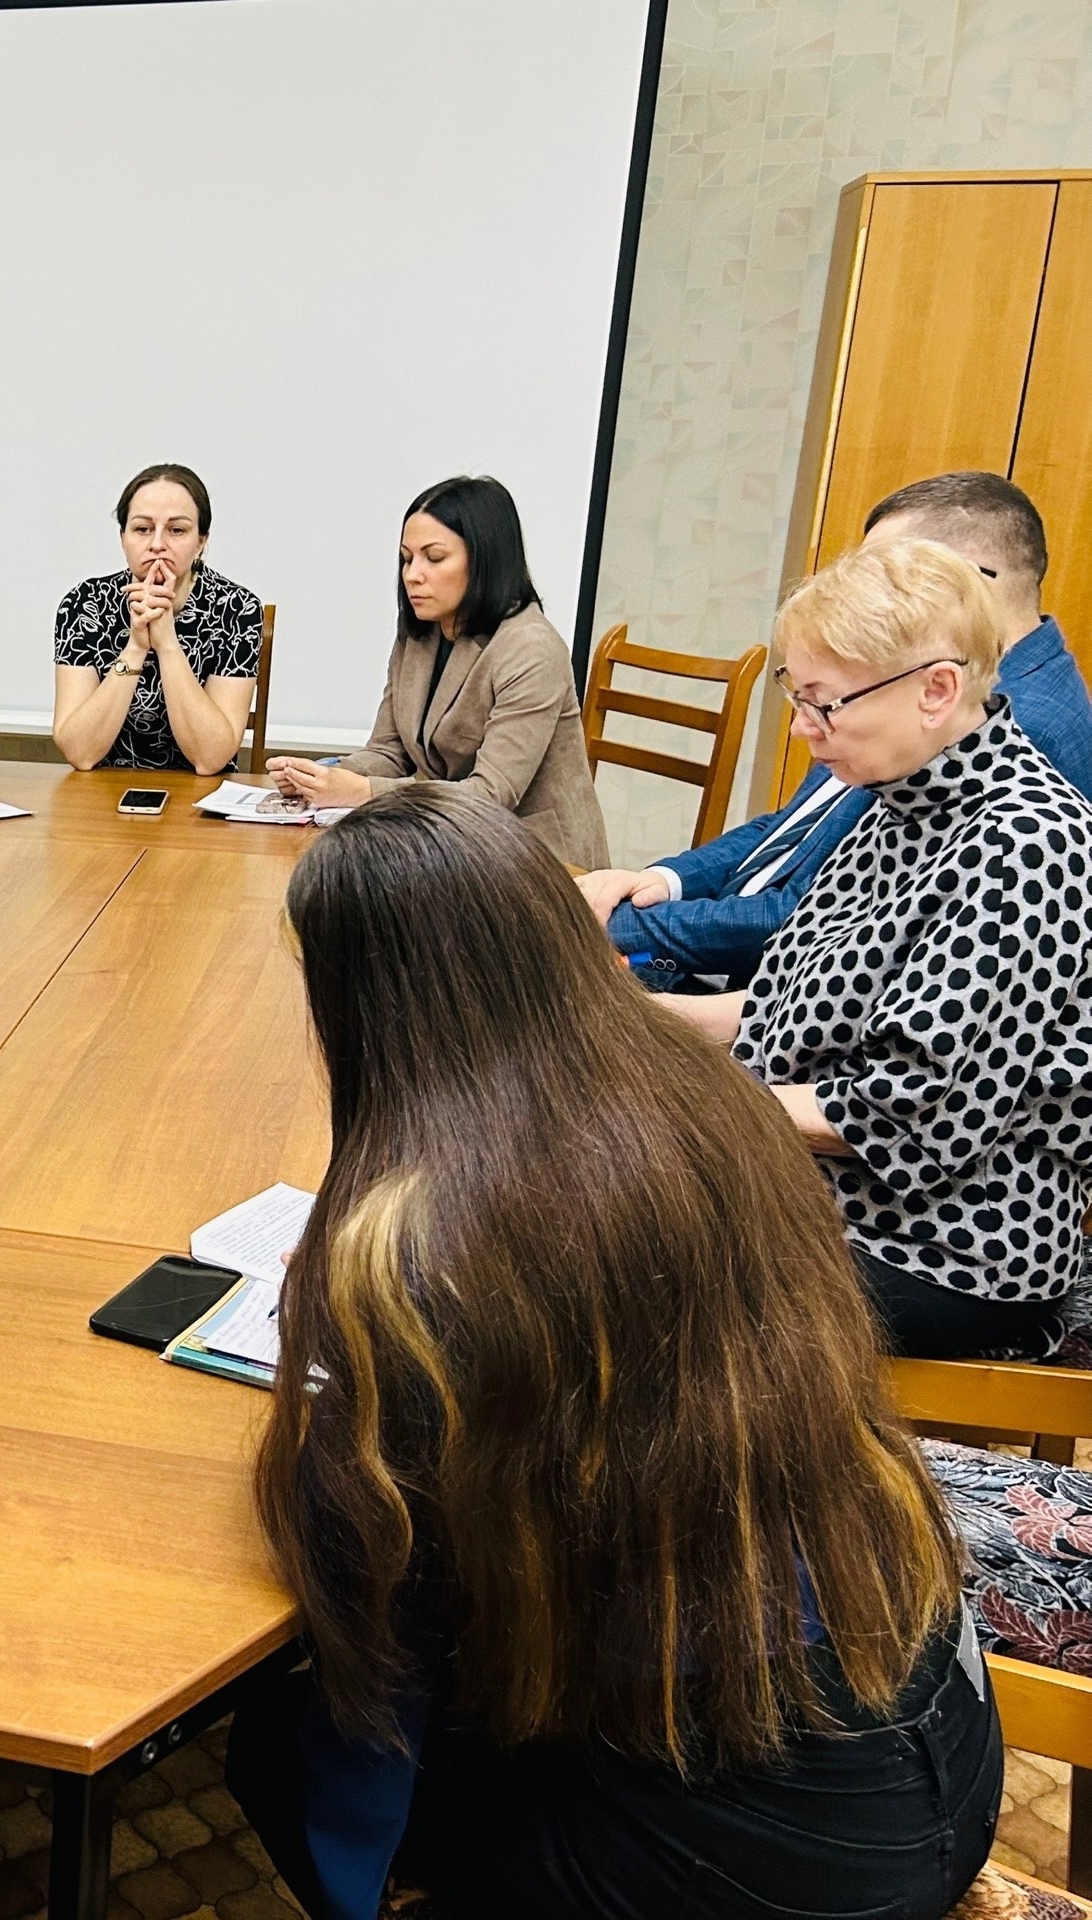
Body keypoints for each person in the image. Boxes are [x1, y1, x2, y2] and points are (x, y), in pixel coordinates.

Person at [228, 782, 996, 1920]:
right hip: (937, 1718)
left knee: (268, 1742)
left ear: (361, 1003)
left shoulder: (419, 1244)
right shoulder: (704, 1100)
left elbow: (377, 1591)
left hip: (774, 1847)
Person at [659, 540, 1092, 1360]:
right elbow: (791, 1007)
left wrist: (674, 1094)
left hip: (947, 1251)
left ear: (937, 690)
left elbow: (906, 1115)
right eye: (800, 699)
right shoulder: (893, 806)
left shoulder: (1023, 844)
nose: (803, 730)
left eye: (826, 704)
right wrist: (620, 1018)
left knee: (606, 1273)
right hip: (831, 1199)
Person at [583, 470, 1092, 990]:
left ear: (956, 582)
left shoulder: (1012, 731)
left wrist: (616, 928)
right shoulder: (877, 695)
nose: (803, 727)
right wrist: (662, 882)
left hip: (769, 993)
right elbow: (787, 828)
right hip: (755, 990)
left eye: (882, 577)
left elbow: (816, 925)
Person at [267, 475, 607, 868]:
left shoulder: (531, 648)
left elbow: (489, 797)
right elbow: (389, 750)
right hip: (442, 845)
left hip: (535, 860)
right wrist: (322, 778)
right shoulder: (420, 634)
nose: (412, 574)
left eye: (434, 557)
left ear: (483, 560)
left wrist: (361, 791)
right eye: (407, 558)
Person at [52, 464, 262, 774]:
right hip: (102, 796)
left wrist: (167, 644)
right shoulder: (85, 603)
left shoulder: (237, 609)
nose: (157, 544)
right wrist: (135, 647)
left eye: (177, 530)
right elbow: (79, 753)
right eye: (142, 529)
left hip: (201, 802)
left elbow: (210, 759)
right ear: (123, 537)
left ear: (201, 541)